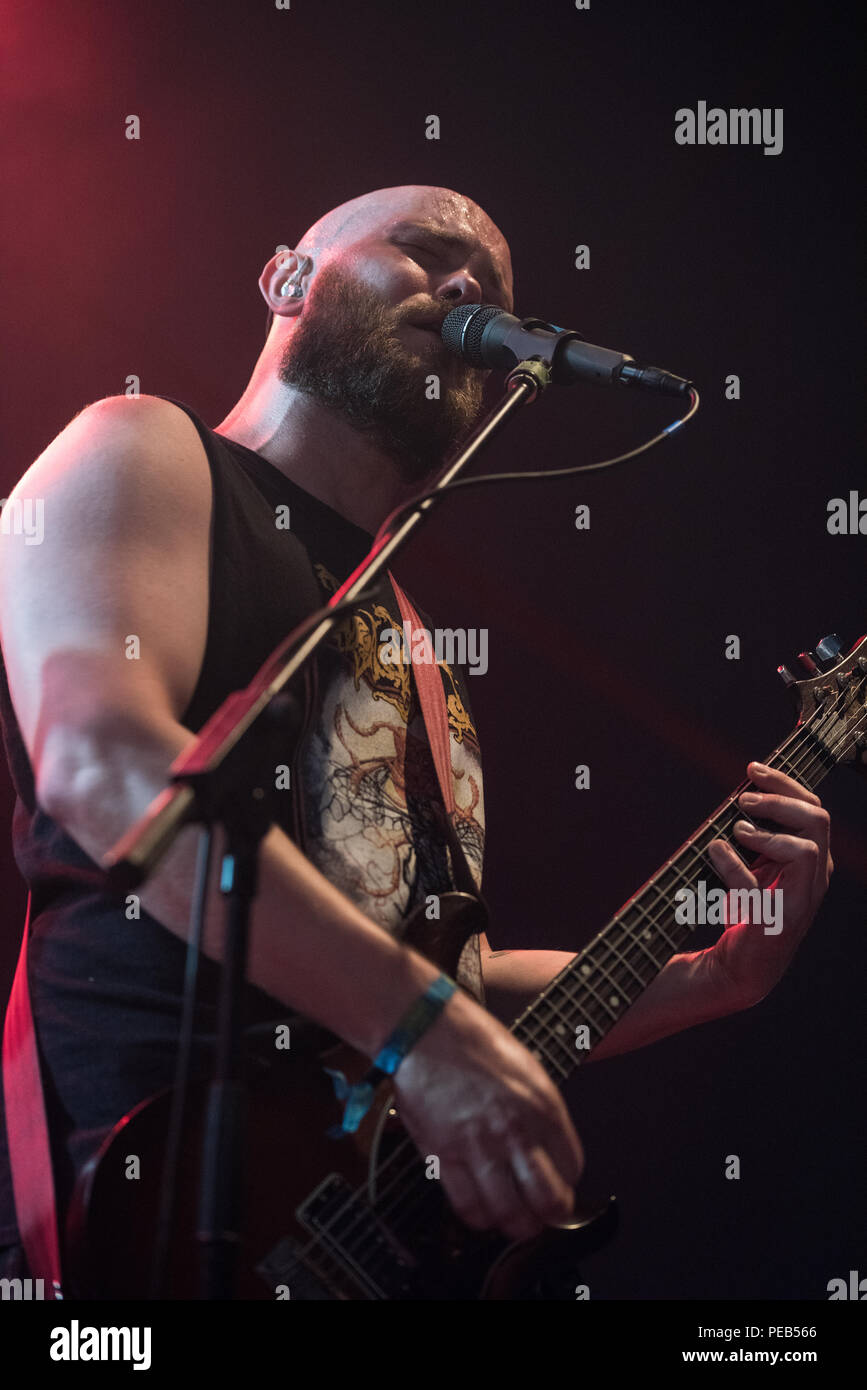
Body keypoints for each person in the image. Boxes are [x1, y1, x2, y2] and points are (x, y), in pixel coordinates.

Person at [0, 184, 833, 1292]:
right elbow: (107, 769)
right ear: (288, 277)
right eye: (425, 252)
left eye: (489, 286)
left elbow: (447, 974)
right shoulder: (145, 450)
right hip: (127, 1223)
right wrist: (428, 1029)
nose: (468, 289)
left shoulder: (420, 656)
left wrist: (707, 980)